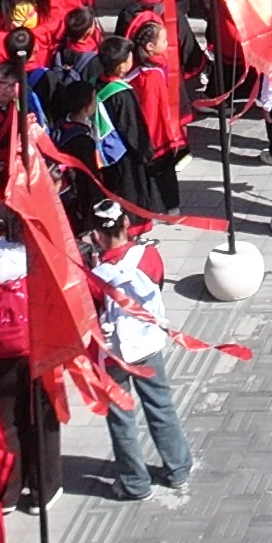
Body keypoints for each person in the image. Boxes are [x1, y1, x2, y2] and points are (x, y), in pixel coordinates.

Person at [93, 197, 197, 503]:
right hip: (148, 343)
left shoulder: (95, 275)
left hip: (113, 352)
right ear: (126, 223)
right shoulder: (149, 256)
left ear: (96, 235)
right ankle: (178, 468)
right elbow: (158, 283)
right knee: (160, 406)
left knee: (120, 418)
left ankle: (134, 482)